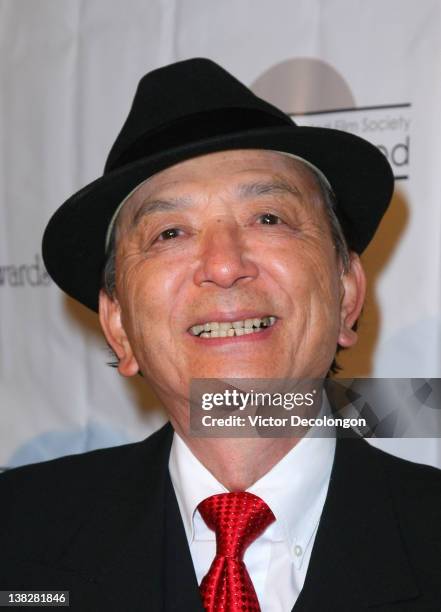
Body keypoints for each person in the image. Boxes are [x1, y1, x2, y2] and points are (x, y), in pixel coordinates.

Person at [1, 58, 440, 612]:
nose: (225, 264)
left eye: (268, 218)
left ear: (347, 292)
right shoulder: (16, 538)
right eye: (170, 232)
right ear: (118, 326)